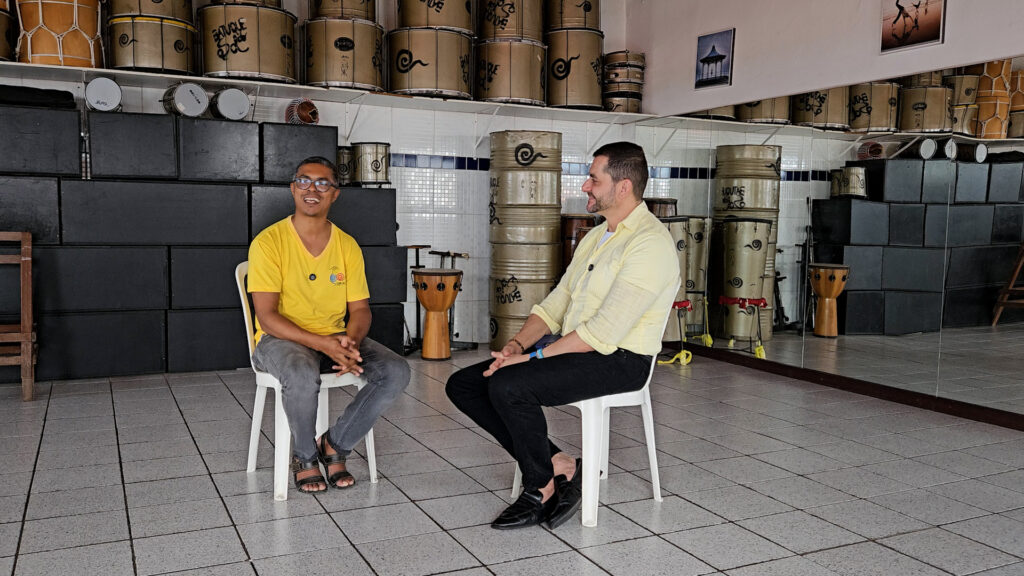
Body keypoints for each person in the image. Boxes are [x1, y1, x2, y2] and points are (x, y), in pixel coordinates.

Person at [446, 141, 680, 529]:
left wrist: (534, 358)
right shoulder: (597, 236)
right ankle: (560, 463)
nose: (585, 186)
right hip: (580, 350)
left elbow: (602, 333)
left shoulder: (650, 244)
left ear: (623, 187)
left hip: (621, 361)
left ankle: (540, 487)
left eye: (593, 178)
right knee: (466, 384)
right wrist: (517, 345)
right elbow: (557, 302)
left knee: (508, 385)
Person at [248, 156, 411, 494]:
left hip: (336, 335)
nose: (313, 189)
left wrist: (349, 343)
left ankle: (335, 444)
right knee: (300, 376)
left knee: (396, 371)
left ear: (334, 194)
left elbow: (361, 310)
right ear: (293, 189)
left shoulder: (346, 245)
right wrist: (325, 345)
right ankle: (304, 456)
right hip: (280, 339)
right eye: (304, 181)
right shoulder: (268, 242)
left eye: (323, 183)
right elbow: (267, 317)